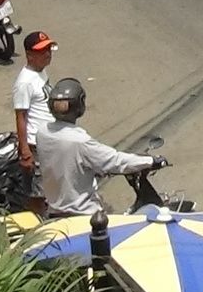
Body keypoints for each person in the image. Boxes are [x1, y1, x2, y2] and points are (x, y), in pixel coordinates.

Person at [34, 77, 162, 219]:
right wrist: (151, 161)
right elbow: (115, 160)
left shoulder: (42, 132)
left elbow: (65, 161)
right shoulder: (80, 141)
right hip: (84, 216)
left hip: (54, 212)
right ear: (80, 104)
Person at [12, 31, 56, 183]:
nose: (48, 54)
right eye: (42, 51)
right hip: (36, 145)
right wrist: (25, 151)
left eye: (49, 50)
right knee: (38, 191)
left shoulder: (41, 71)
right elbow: (21, 116)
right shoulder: (25, 82)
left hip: (50, 140)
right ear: (29, 55)